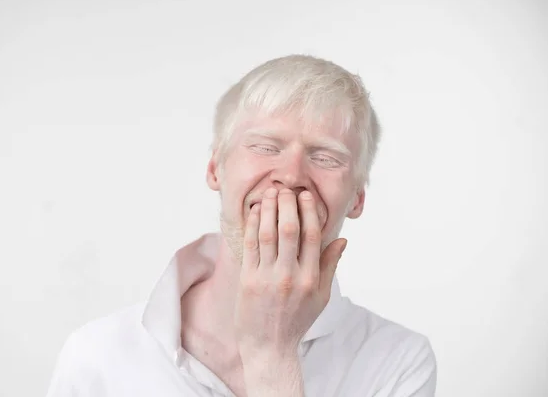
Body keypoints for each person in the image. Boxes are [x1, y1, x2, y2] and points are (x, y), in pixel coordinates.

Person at [46, 54, 437, 396]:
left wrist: (273, 353)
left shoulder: (398, 362)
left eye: (326, 157)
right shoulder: (97, 356)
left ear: (357, 198)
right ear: (216, 168)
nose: (290, 175)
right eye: (266, 147)